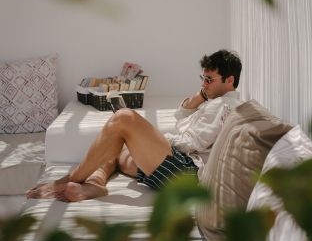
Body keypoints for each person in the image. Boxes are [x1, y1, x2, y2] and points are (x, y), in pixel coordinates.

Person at [26, 50, 243, 202]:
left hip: (188, 174)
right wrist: (204, 93)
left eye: (209, 79)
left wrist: (156, 138)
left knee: (124, 118)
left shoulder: (224, 107)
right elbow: (180, 114)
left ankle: (71, 178)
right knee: (119, 145)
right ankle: (95, 183)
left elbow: (189, 144)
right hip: (179, 169)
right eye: (202, 78)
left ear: (229, 80)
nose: (203, 84)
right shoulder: (215, 101)